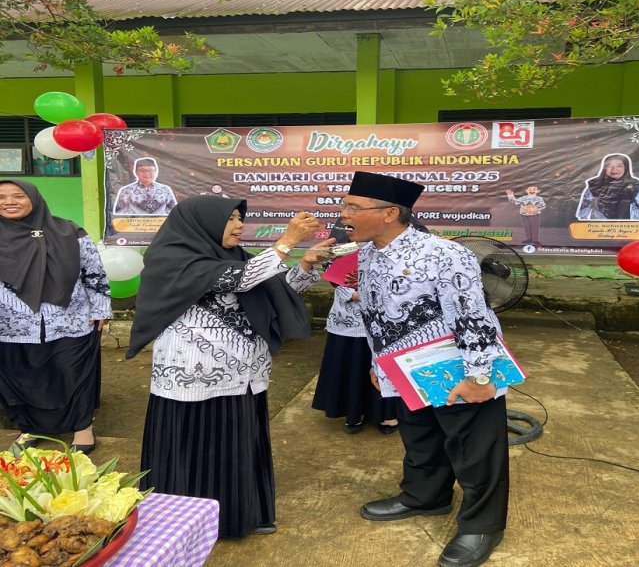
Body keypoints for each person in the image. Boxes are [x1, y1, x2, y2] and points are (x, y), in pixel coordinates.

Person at [126, 196, 335, 539]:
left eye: (240, 218)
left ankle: (237, 516)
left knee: (235, 447)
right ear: (203, 222)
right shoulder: (172, 258)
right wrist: (287, 241)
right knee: (192, 448)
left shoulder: (236, 256)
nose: (239, 225)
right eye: (230, 218)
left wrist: (306, 264)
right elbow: (238, 280)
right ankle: (180, 524)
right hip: (195, 376)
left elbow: (273, 291)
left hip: (244, 375)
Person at [341, 171, 508, 567]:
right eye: (345, 205)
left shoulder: (444, 253)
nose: (343, 214)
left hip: (458, 366)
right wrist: (379, 364)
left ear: (389, 213)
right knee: (420, 437)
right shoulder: (368, 254)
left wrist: (479, 376)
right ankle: (426, 497)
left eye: (353, 207)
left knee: (474, 449)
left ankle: (482, 525)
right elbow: (376, 315)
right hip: (406, 368)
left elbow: (471, 315)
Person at [0, 180, 111, 453]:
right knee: (21, 376)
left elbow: (93, 271)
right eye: (1, 197)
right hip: (11, 324)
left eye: (18, 196)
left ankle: (82, 427)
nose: (9, 202)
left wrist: (100, 307)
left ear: (34, 198)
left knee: (73, 373)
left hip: (70, 319)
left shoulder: (69, 231)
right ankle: (29, 428)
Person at [312, 223, 398, 434]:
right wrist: (353, 293)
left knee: (383, 364)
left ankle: (387, 414)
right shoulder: (341, 242)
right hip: (348, 318)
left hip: (384, 317)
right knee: (352, 364)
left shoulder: (388, 243)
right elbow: (332, 273)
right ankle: (353, 412)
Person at [575, 154, 639, 221]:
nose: (614, 169)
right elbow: (583, 212)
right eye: (609, 166)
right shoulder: (594, 185)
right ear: (604, 168)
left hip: (628, 228)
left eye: (619, 166)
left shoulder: (636, 185)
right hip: (599, 228)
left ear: (626, 167)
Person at [113, 157, 178, 215]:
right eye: (142, 170)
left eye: (151, 170)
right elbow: (119, 213)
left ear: (156, 172)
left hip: (161, 224)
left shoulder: (165, 189)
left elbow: (173, 212)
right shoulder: (127, 190)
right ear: (136, 172)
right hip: (135, 224)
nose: (147, 173)